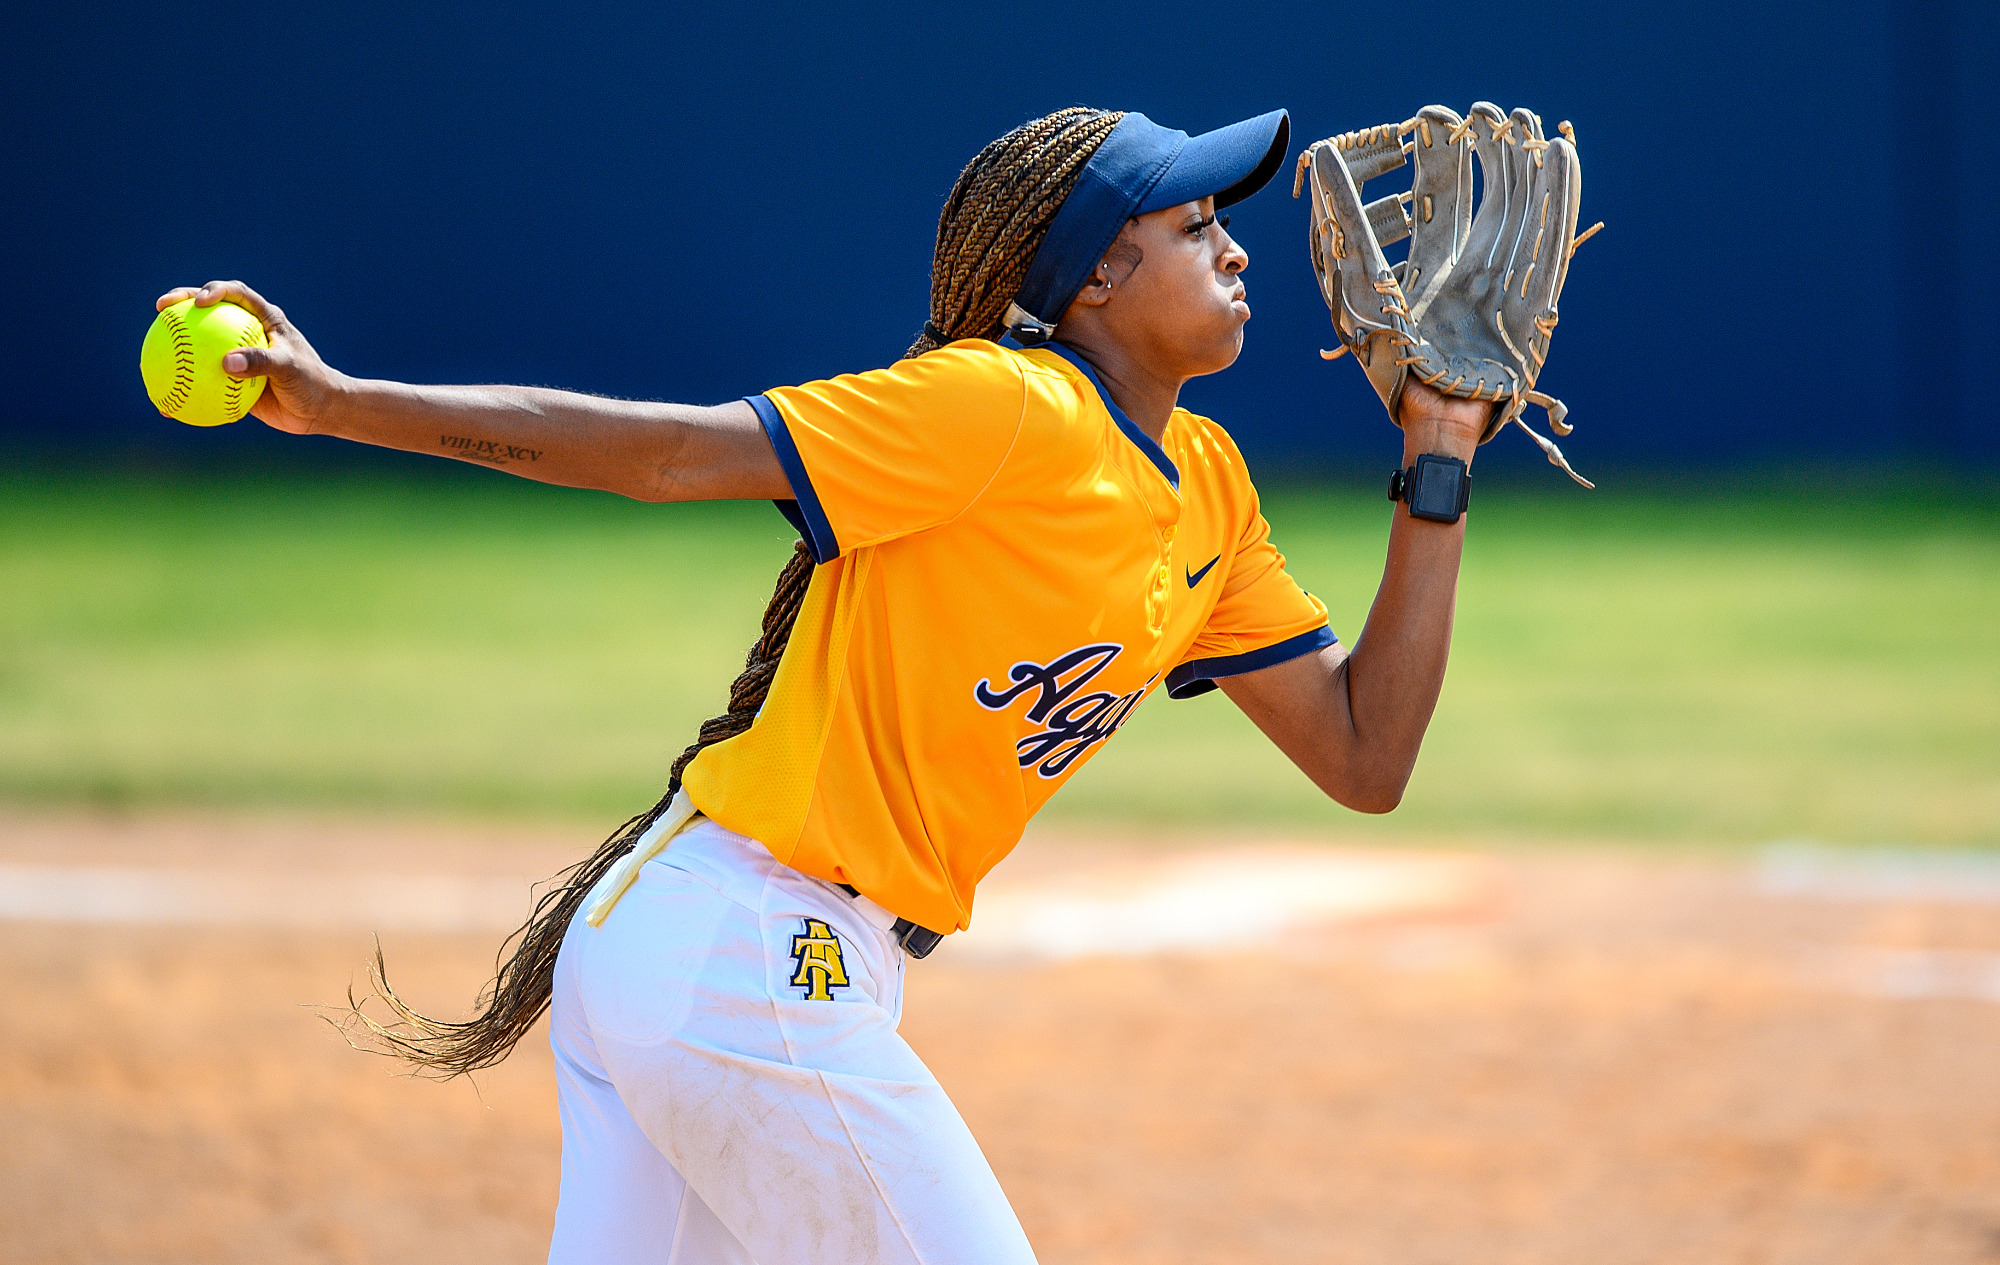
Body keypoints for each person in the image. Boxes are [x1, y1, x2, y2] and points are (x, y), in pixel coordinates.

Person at [158, 104, 1494, 1264]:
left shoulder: (1207, 489)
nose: (1237, 249)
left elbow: (1364, 756)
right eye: (1197, 222)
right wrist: (340, 406)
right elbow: (670, 457)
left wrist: (1438, 454)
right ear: (1097, 276)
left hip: (713, 951)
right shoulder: (1002, 407)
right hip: (746, 951)